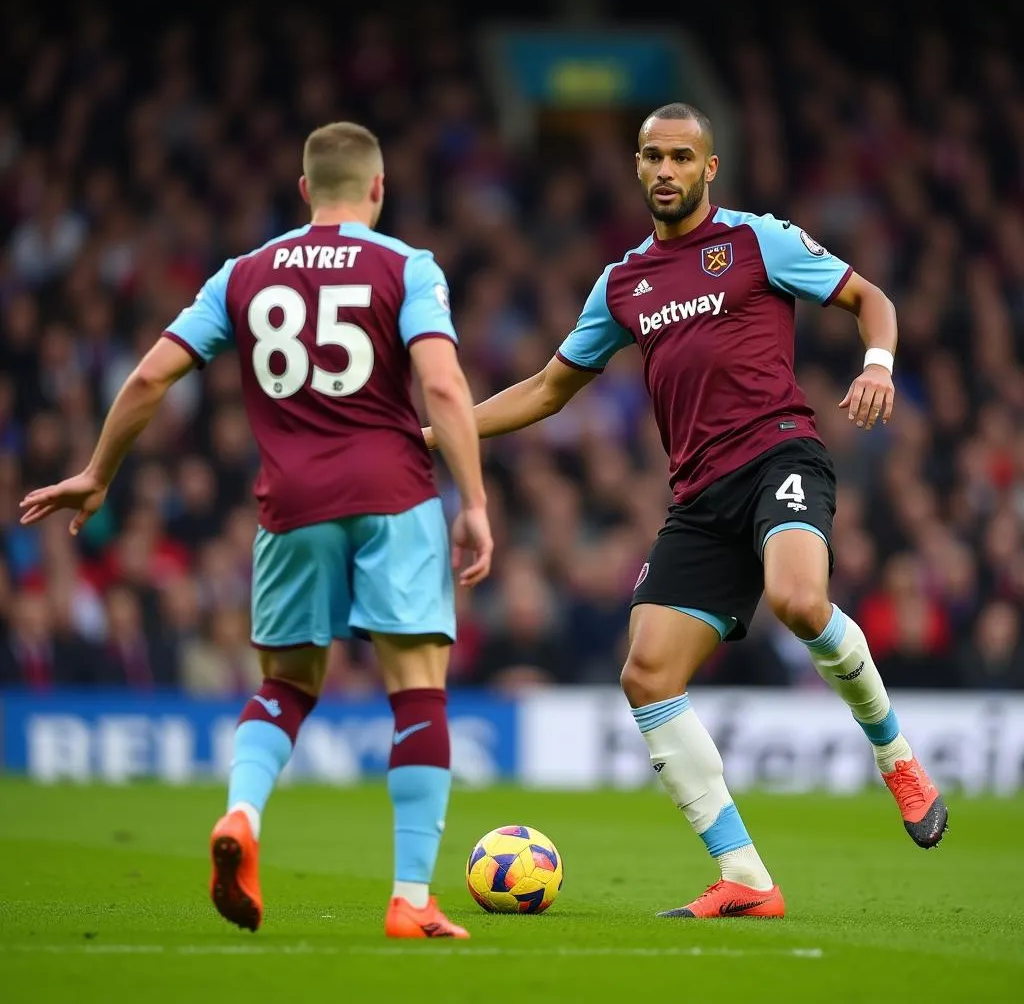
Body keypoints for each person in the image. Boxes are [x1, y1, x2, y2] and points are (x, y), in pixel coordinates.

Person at [424, 102, 947, 919]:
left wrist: (878, 365)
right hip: (700, 496)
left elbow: (870, 297)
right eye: (651, 157)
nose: (664, 170)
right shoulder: (621, 283)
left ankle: (899, 759)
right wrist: (441, 426)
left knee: (799, 599)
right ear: (637, 168)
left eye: (680, 157)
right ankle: (745, 876)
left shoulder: (758, 240)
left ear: (709, 168)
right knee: (644, 674)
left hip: (780, 452)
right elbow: (547, 389)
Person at [20, 121, 493, 939]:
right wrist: (476, 502)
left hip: (290, 506)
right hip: (394, 497)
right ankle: (410, 898)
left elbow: (148, 375)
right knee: (417, 692)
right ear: (378, 189)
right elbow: (444, 387)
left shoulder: (243, 274)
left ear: (305, 191)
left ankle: (243, 814)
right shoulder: (408, 266)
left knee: (283, 689)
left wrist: (98, 472)